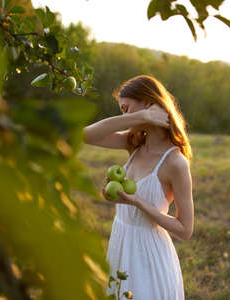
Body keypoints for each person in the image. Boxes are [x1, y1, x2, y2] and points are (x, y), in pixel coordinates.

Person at [83, 75, 194, 300]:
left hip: (149, 254)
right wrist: (141, 116)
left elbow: (185, 230)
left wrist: (136, 202)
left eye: (126, 109)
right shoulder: (134, 144)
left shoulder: (175, 162)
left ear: (148, 101)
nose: (124, 116)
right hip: (121, 242)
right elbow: (83, 135)